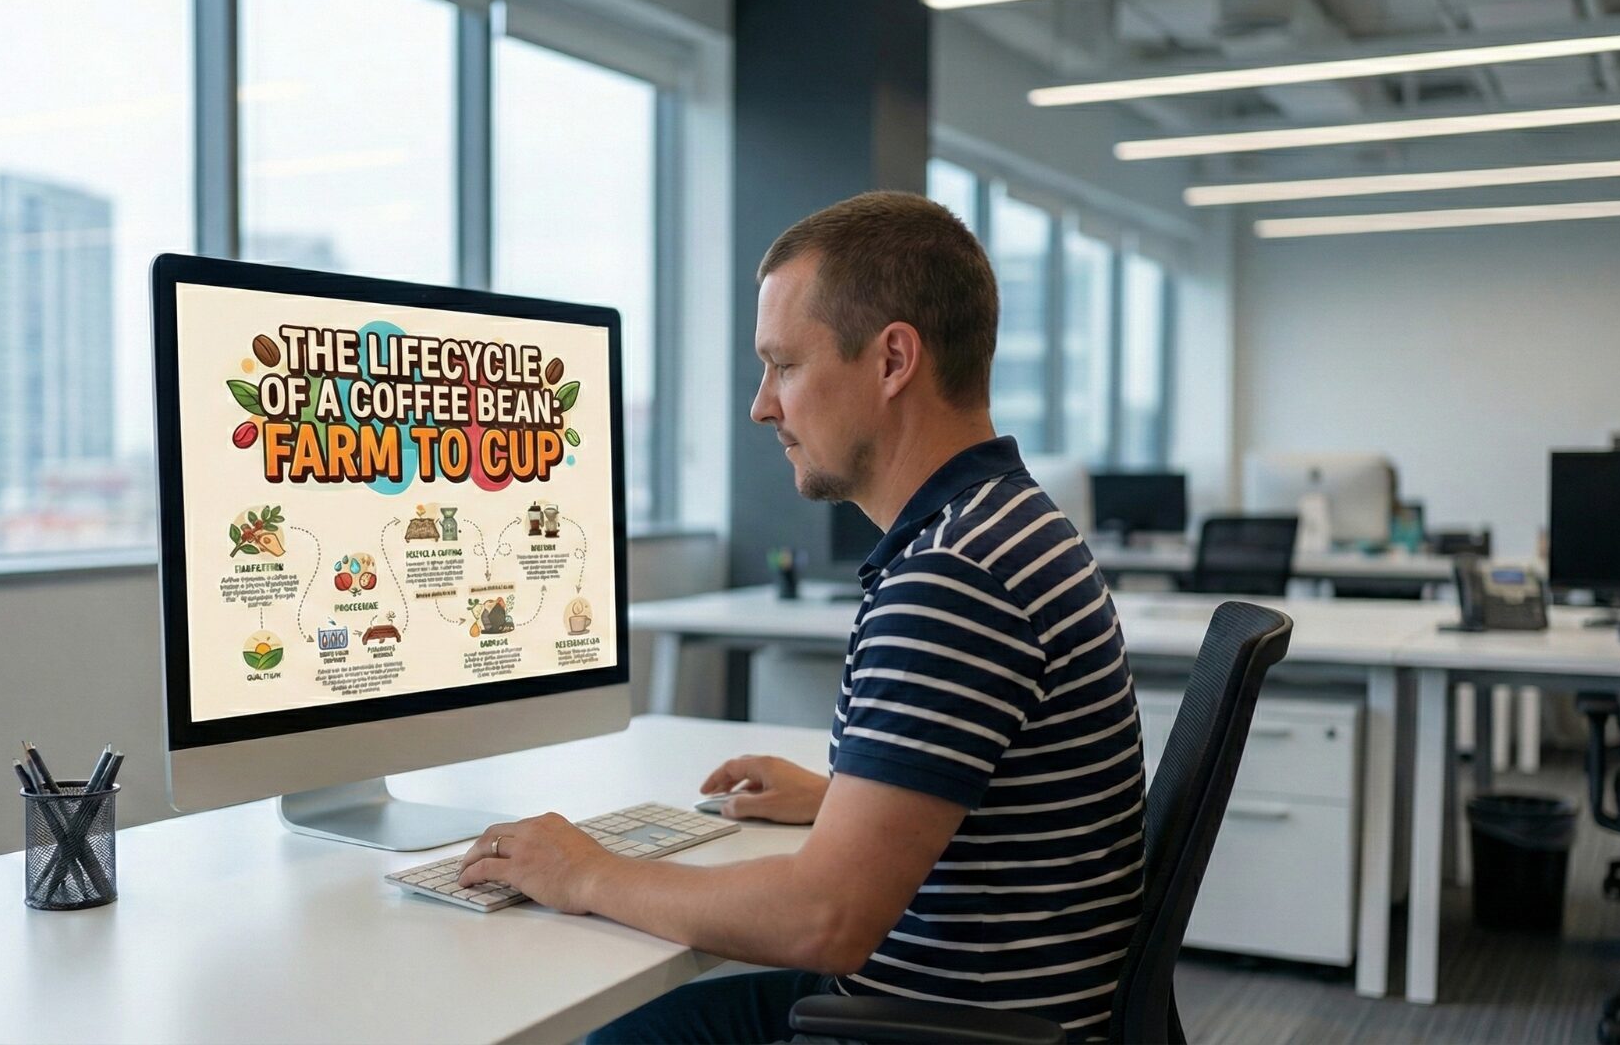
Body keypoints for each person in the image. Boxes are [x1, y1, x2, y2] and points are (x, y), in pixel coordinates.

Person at [454, 191, 1144, 1043]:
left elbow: (824, 920)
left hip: (925, 1028)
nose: (761, 406)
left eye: (783, 365)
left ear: (893, 360)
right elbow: (1008, 800)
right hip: (961, 1003)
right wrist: (847, 799)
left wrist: (587, 872)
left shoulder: (953, 576)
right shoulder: (1008, 523)